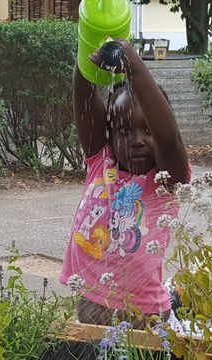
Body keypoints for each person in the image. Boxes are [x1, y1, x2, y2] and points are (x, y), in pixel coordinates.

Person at [59, 36, 191, 327]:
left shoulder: (166, 180)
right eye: (124, 130)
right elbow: (83, 97)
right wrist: (87, 50)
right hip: (91, 304)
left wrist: (133, 64)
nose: (137, 141)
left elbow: (169, 138)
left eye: (148, 130)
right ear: (110, 135)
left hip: (146, 316)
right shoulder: (100, 162)